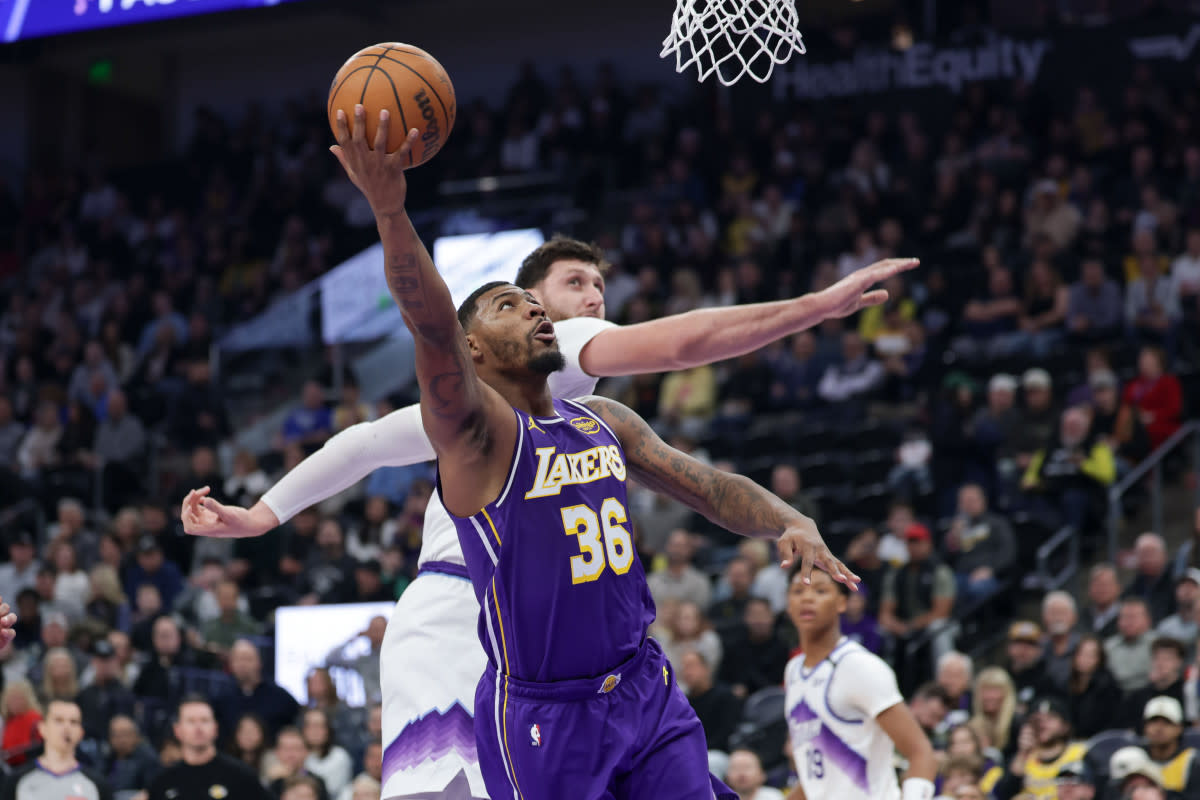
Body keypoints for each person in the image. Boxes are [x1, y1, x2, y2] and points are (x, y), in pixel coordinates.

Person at [182, 107, 911, 799]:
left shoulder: (600, 415)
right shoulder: (474, 425)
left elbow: (712, 487)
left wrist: (789, 517)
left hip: (633, 680)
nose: (581, 303)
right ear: (485, 338)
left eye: (595, 286)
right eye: (552, 292)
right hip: (484, 645)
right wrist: (391, 212)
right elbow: (415, 361)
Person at [783, 565, 936, 800]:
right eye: (798, 591)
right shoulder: (793, 670)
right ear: (787, 603)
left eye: (820, 591)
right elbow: (816, 779)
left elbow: (921, 753)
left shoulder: (859, 667)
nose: (807, 599)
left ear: (842, 603)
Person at [146, 695, 272, 800]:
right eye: (191, 721)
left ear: (215, 729)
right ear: (177, 730)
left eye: (204, 720)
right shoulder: (162, 781)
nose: (198, 728)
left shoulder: (242, 776)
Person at [0, 699, 112, 800]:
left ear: (80, 733)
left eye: (73, 722)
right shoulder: (17, 781)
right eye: (59, 720)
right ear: (42, 729)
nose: (66, 727)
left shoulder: (97, 784)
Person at [993, 697, 1087, 800]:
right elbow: (1003, 795)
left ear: (1065, 726)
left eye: (1050, 718)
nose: (1043, 724)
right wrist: (1022, 754)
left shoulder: (1081, 754)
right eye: (1037, 719)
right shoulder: (1020, 758)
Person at [1139, 696, 1200, 796]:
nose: (1158, 728)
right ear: (1145, 726)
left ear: (1179, 728)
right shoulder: (1135, 757)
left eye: (1167, 722)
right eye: (1153, 721)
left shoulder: (1193, 762)